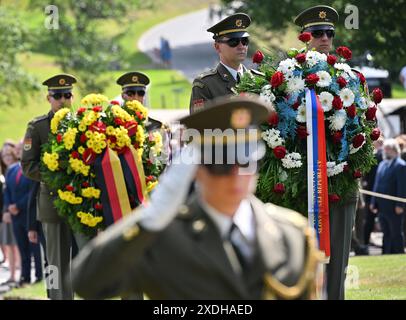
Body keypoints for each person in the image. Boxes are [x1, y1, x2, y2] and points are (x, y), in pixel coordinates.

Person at [71, 96, 322, 300]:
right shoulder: (163, 238)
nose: (236, 173)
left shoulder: (291, 233)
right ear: (196, 168)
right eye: (222, 164)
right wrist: (149, 219)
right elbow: (87, 284)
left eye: (246, 159)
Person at [295, 5, 358, 300]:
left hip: (342, 180)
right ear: (305, 37)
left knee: (339, 264)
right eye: (317, 33)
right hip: (302, 182)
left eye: (329, 33)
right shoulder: (289, 78)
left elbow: (363, 128)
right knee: (302, 260)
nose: (323, 38)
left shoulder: (350, 77)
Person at [21, 74, 79, 300]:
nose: (63, 100)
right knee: (55, 261)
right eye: (57, 96)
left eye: (67, 95)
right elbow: (27, 165)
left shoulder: (83, 124)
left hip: (81, 203)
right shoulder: (38, 127)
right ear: (48, 98)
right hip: (52, 203)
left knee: (83, 256)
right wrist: (55, 175)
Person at [189, 13, 252, 113]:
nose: (241, 46)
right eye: (233, 42)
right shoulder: (205, 85)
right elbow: (200, 126)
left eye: (244, 41)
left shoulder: (258, 79)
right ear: (217, 47)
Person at [3, 141, 42, 286]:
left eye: (21, 149)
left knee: (35, 248)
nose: (19, 151)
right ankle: (24, 277)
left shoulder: (32, 169)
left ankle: (39, 276)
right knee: (22, 247)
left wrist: (18, 205)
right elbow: (7, 191)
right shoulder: (11, 170)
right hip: (16, 216)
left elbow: (32, 193)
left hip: (28, 214)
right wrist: (9, 206)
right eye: (18, 149)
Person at [116, 71, 171, 164]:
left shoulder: (156, 127)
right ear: (122, 96)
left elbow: (164, 160)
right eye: (130, 93)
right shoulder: (113, 124)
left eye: (140, 93)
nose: (136, 98)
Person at [370, 139, 406, 254]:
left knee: (396, 232)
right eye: (384, 149)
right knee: (386, 233)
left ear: (395, 150)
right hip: (382, 206)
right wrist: (373, 202)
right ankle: (386, 254)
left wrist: (400, 204)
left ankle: (399, 253)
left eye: (388, 149)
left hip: (394, 207)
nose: (385, 151)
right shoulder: (382, 164)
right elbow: (377, 184)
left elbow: (402, 187)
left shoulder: (401, 166)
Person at [0, 144, 20, 287]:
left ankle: (18, 272)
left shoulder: (18, 169)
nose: (6, 158)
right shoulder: (5, 172)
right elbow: (6, 194)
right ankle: (13, 274)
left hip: (18, 210)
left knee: (17, 244)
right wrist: (6, 211)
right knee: (9, 243)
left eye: (9, 155)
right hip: (8, 211)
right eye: (4, 155)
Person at [362, 137, 384, 246]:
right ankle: (366, 242)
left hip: (373, 192)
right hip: (374, 193)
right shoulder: (377, 156)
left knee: (370, 220)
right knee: (370, 220)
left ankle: (365, 242)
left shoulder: (378, 156)